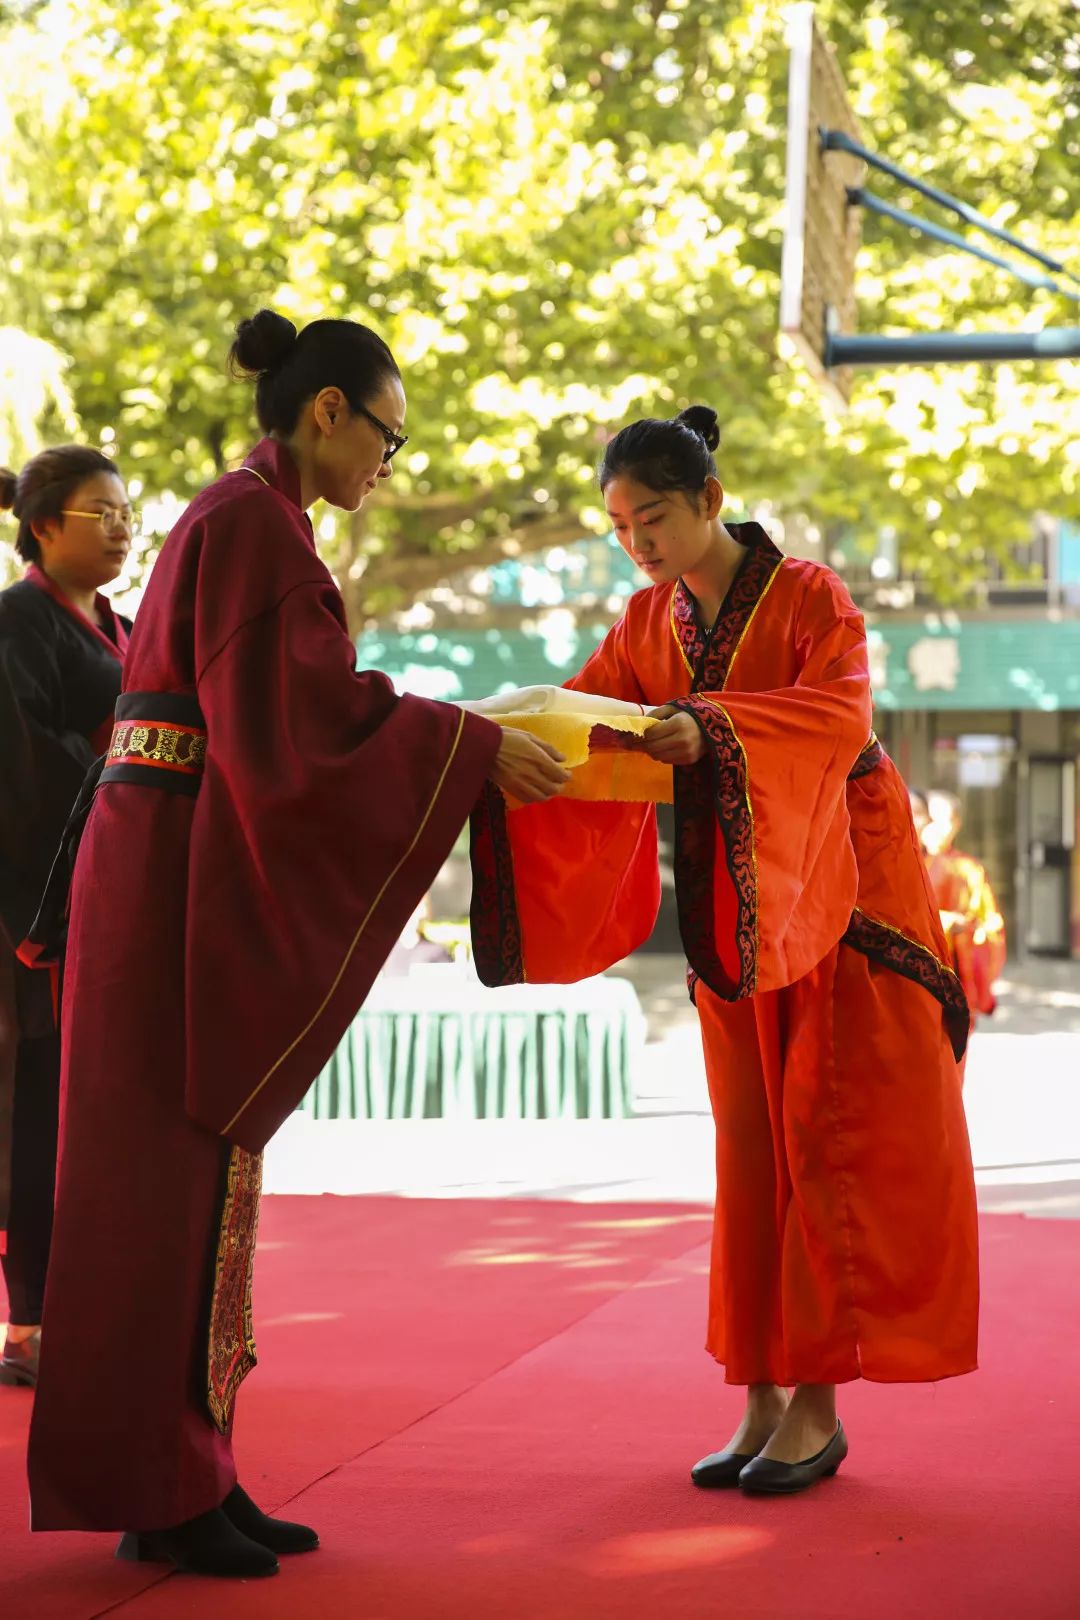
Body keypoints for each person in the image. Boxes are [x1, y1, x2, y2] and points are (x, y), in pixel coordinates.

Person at [26, 309, 569, 1577]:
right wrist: (471, 746)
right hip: (167, 874)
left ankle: (192, 1466)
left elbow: (293, 722)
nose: (390, 459)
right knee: (157, 1185)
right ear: (327, 411)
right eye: (388, 431)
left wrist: (461, 734)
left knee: (196, 1183)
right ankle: (156, 1485)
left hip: (171, 859)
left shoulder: (248, 520)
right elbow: (304, 725)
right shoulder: (252, 526)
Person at [470, 407, 978, 1496]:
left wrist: (715, 728)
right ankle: (758, 1388)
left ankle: (818, 1405)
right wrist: (505, 731)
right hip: (734, 892)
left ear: (707, 499)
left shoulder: (809, 596)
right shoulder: (650, 617)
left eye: (651, 515)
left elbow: (839, 720)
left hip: (841, 879)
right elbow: (594, 707)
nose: (637, 542)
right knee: (747, 1134)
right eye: (618, 524)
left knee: (819, 1125)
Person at [0, 446, 134, 1389]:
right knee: (30, 1107)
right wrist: (120, 772)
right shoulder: (18, 622)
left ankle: (87, 1304)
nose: (122, 526)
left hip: (106, 894)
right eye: (100, 512)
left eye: (127, 510)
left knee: (88, 1112)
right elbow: (22, 767)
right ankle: (30, 1321)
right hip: (29, 907)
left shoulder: (122, 625)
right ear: (44, 526)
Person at [922, 788, 1006, 1028]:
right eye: (929, 820)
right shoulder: (905, 863)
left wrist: (967, 930)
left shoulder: (968, 869)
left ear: (956, 824)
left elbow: (990, 925)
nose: (935, 828)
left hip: (955, 972)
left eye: (944, 820)